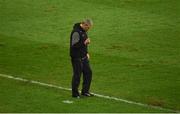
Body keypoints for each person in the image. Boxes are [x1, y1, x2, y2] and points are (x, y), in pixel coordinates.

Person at [70, 19, 94, 98]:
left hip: (83, 57)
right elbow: (74, 45)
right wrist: (85, 43)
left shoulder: (83, 31)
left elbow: (84, 45)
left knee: (88, 73)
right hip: (77, 57)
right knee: (77, 75)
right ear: (84, 24)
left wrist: (86, 52)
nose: (88, 29)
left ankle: (85, 91)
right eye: (88, 28)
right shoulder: (76, 32)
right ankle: (75, 94)